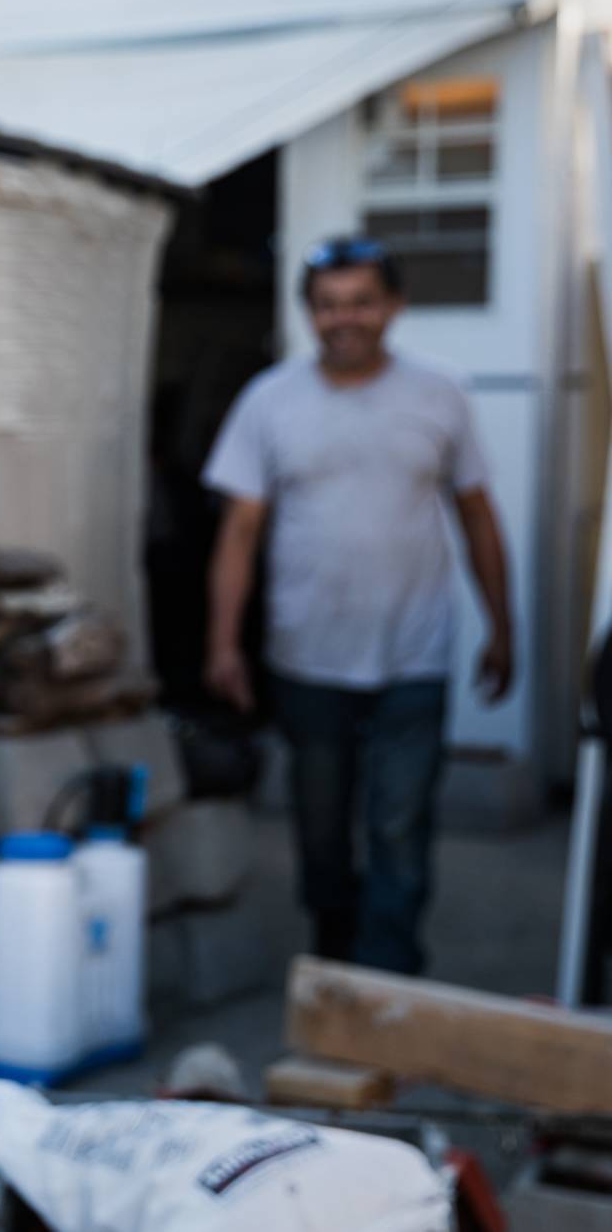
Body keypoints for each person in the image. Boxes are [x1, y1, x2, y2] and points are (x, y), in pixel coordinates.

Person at [203, 236, 512, 975]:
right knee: (321, 831)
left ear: (394, 306)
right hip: (307, 654)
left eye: (362, 301)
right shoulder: (269, 400)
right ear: (309, 313)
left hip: (416, 650)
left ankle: (391, 982)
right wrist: (223, 645)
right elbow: (240, 530)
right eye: (329, 305)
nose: (346, 318)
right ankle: (337, 971)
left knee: (401, 826)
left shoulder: (442, 393)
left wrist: (504, 625)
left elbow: (476, 514)